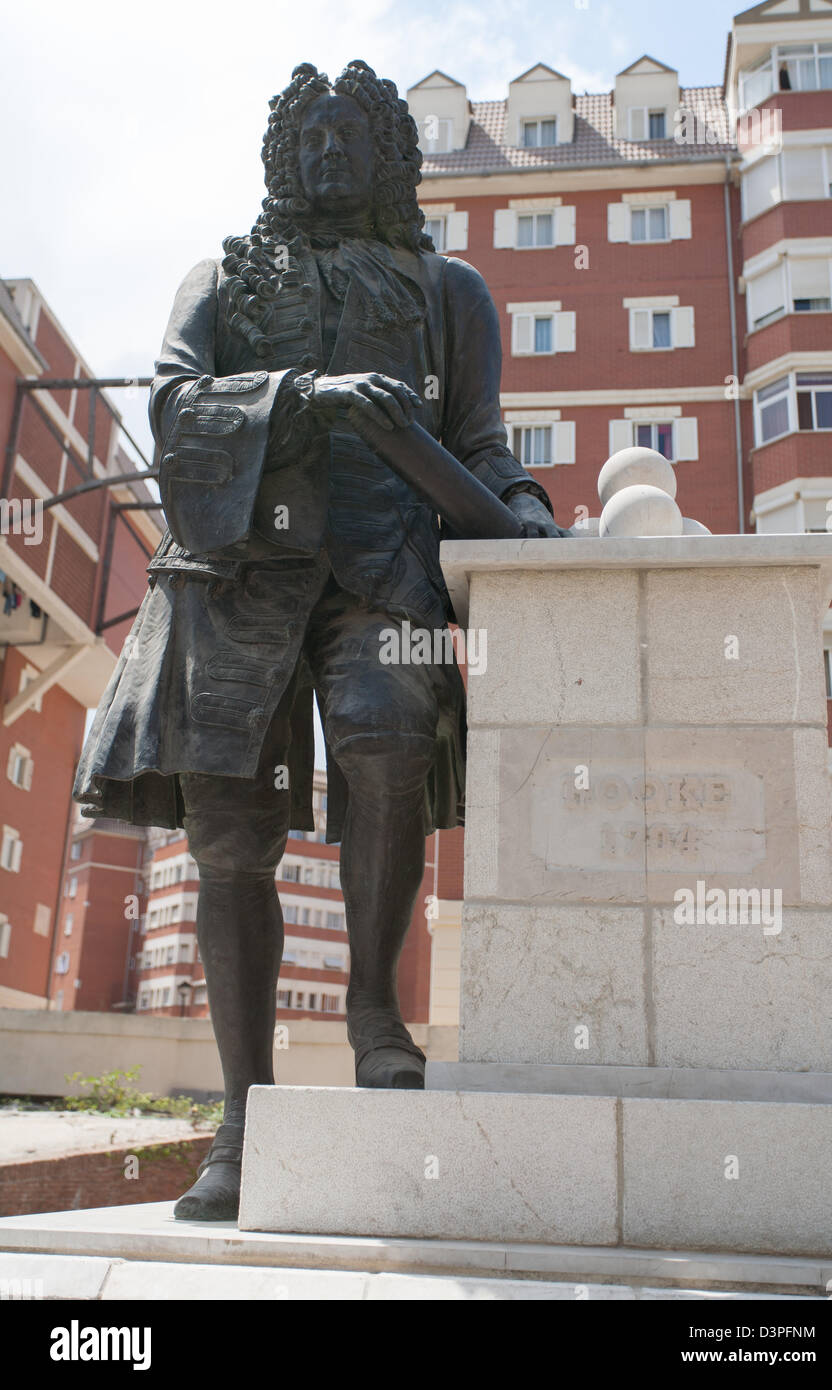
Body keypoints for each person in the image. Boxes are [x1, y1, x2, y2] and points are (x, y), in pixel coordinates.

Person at [74, 59, 562, 1220]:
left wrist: (527, 510)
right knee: (229, 823)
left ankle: (373, 1018)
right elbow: (175, 405)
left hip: (380, 564)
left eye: (350, 141)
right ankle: (242, 1118)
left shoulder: (452, 291)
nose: (327, 157)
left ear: (391, 160)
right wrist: (309, 393)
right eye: (309, 141)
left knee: (386, 736)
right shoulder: (221, 274)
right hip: (236, 570)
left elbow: (480, 444)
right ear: (282, 158)